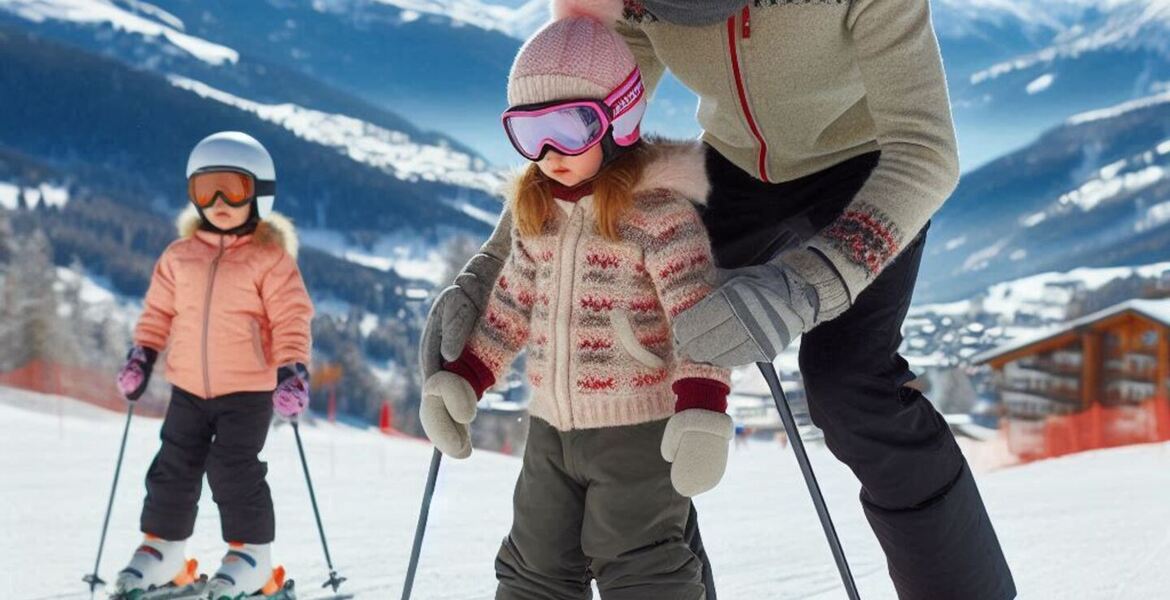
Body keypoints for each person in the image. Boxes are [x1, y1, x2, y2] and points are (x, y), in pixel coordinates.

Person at [422, 1, 1015, 598]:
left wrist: (807, 284)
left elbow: (925, 149)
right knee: (643, 333)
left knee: (852, 386)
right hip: (732, 165)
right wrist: (484, 279)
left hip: (869, 169)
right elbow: (576, 136)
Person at [419, 4, 731, 598]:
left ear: (620, 120)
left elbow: (697, 317)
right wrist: (465, 375)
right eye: (528, 134)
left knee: (639, 561)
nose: (549, 153)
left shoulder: (660, 216)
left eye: (568, 128)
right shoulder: (540, 214)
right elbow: (510, 307)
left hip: (638, 431)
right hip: (550, 430)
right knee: (533, 563)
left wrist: (702, 406)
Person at [112, 131, 314, 599]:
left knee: (233, 469)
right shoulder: (179, 257)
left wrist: (292, 370)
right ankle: (162, 551)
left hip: (246, 390)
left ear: (259, 194)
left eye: (234, 189)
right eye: (207, 190)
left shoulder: (270, 260)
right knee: (172, 465)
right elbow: (158, 313)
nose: (220, 201)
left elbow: (291, 318)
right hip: (187, 387)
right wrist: (142, 355)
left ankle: (251, 559)